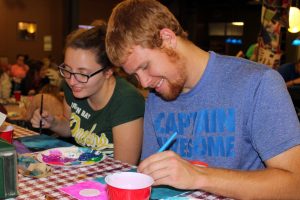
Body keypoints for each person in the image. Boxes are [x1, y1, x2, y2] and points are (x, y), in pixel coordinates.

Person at [105, 0, 300, 199]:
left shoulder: (259, 83)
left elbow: (295, 185)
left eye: (145, 66)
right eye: (135, 75)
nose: (144, 82)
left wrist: (199, 176)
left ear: (167, 38)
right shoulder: (158, 96)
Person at [30, 21, 145, 165]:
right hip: (83, 171)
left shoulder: (127, 101)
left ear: (108, 71)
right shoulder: (74, 89)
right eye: (67, 69)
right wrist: (53, 123)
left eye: (83, 73)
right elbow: (72, 128)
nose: (72, 81)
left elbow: (123, 168)